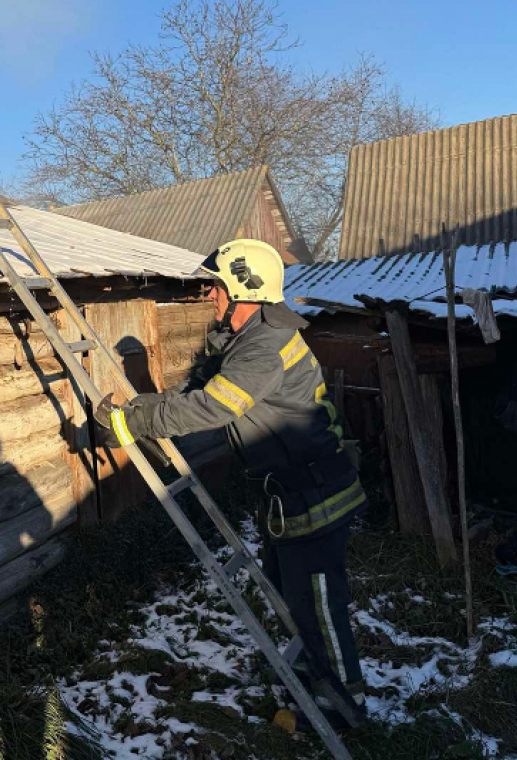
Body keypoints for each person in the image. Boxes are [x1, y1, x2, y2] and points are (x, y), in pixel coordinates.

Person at [94, 238, 367, 725]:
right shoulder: (245, 341)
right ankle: (310, 678)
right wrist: (136, 411)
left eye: (218, 288)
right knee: (293, 598)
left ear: (246, 291)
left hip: (313, 494)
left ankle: (344, 707)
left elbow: (214, 406)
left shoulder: (263, 348)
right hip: (287, 496)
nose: (210, 296)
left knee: (320, 607)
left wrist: (129, 426)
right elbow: (198, 389)